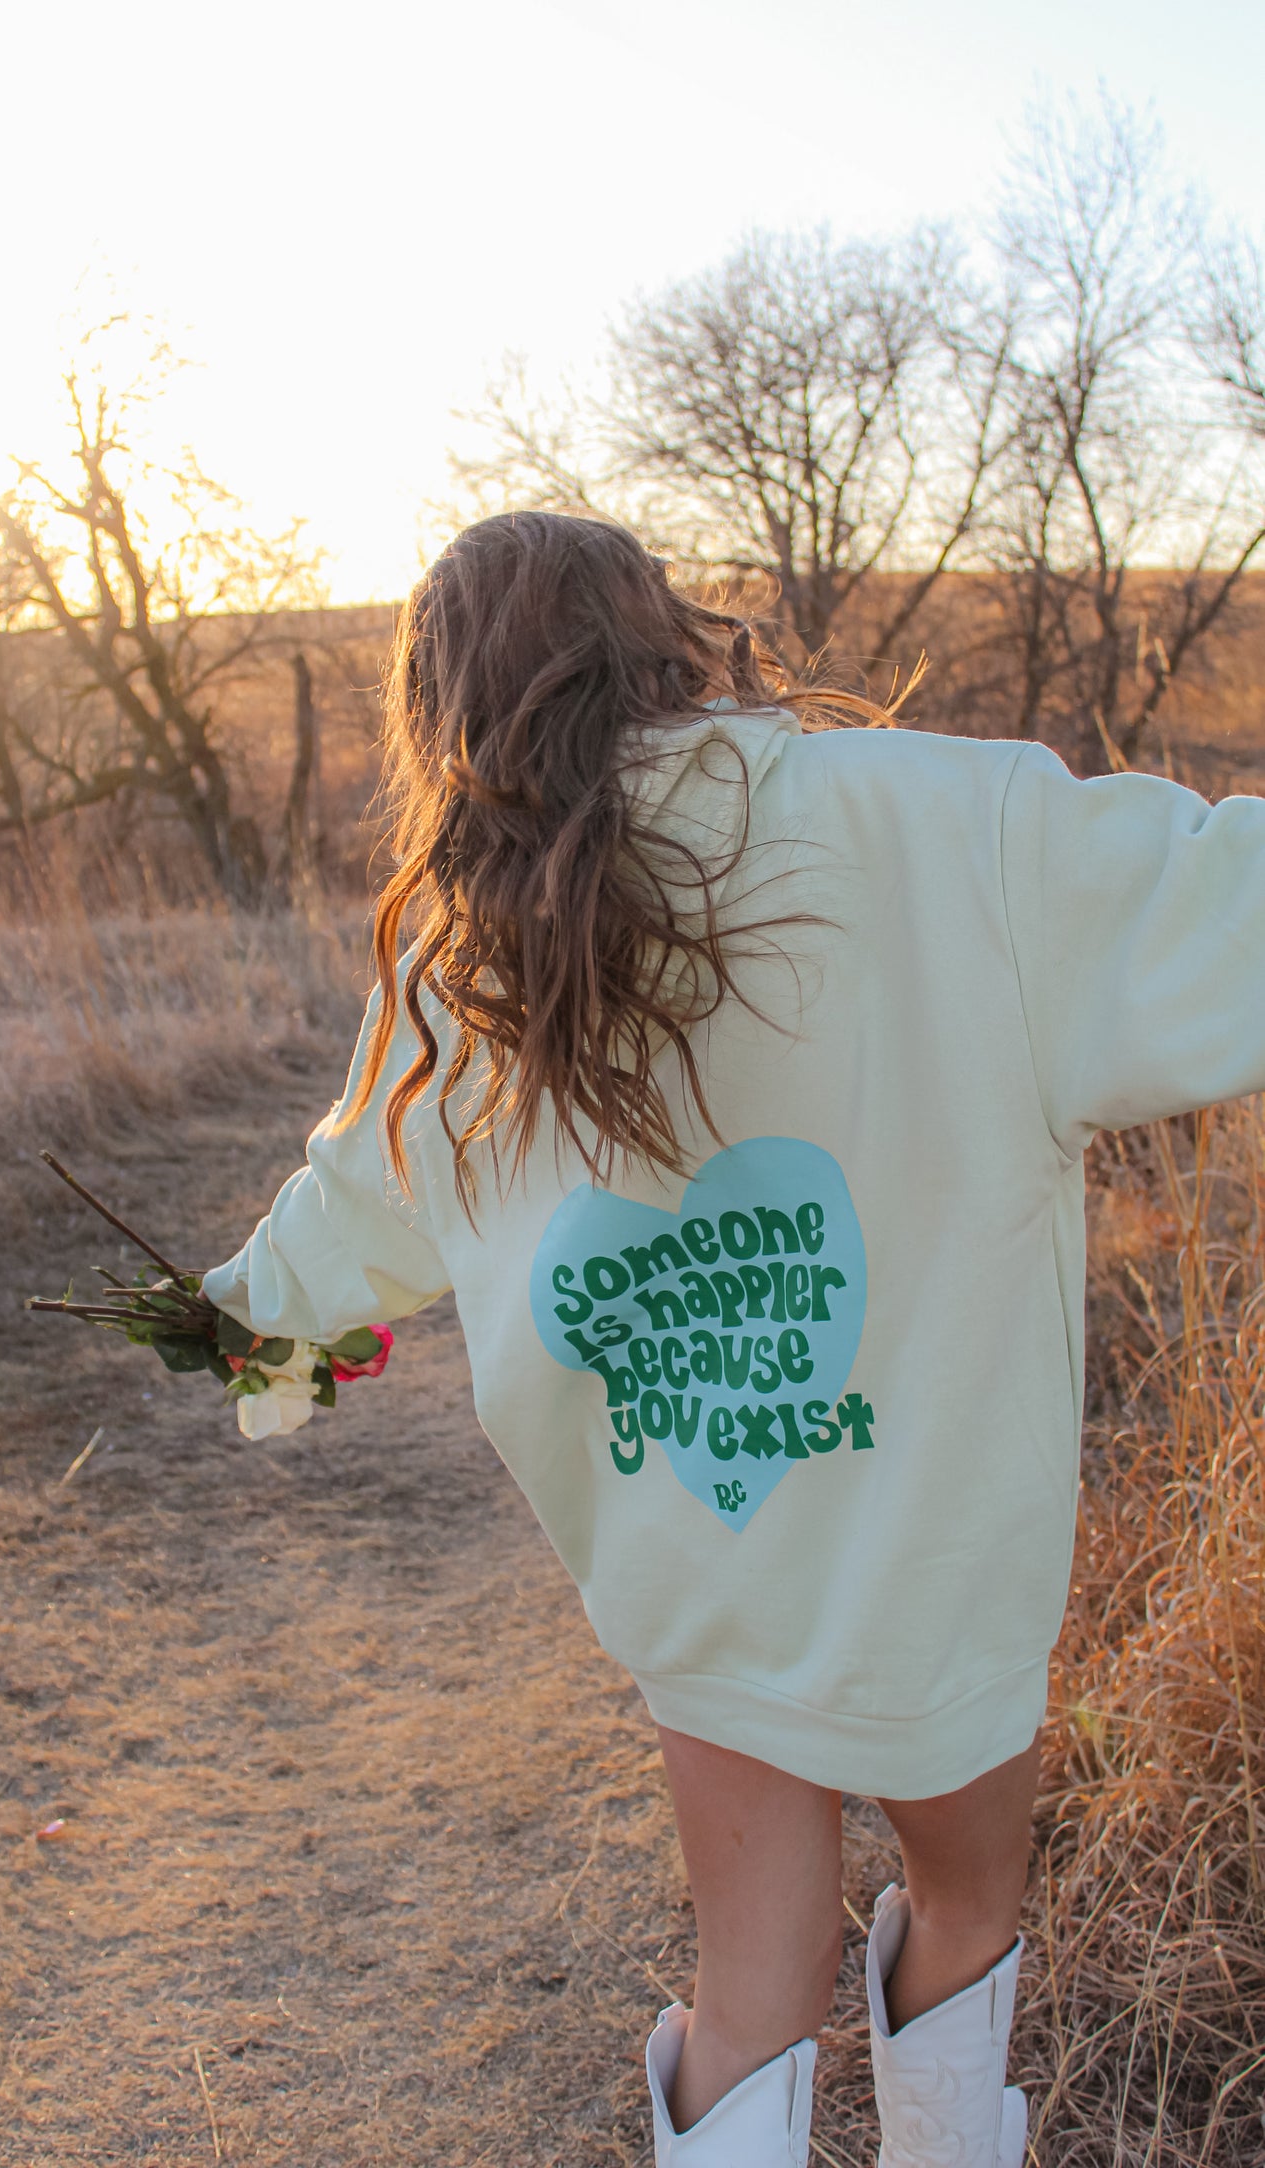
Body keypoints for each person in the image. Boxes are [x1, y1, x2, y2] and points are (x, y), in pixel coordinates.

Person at [202, 510, 1265, 2166]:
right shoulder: (948, 825)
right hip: (937, 1576)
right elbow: (1227, 910)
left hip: (706, 1567)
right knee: (968, 1901)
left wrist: (247, 1335)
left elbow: (355, 1198)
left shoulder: (462, 932)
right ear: (667, 634)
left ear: (447, 716)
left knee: (748, 1992)